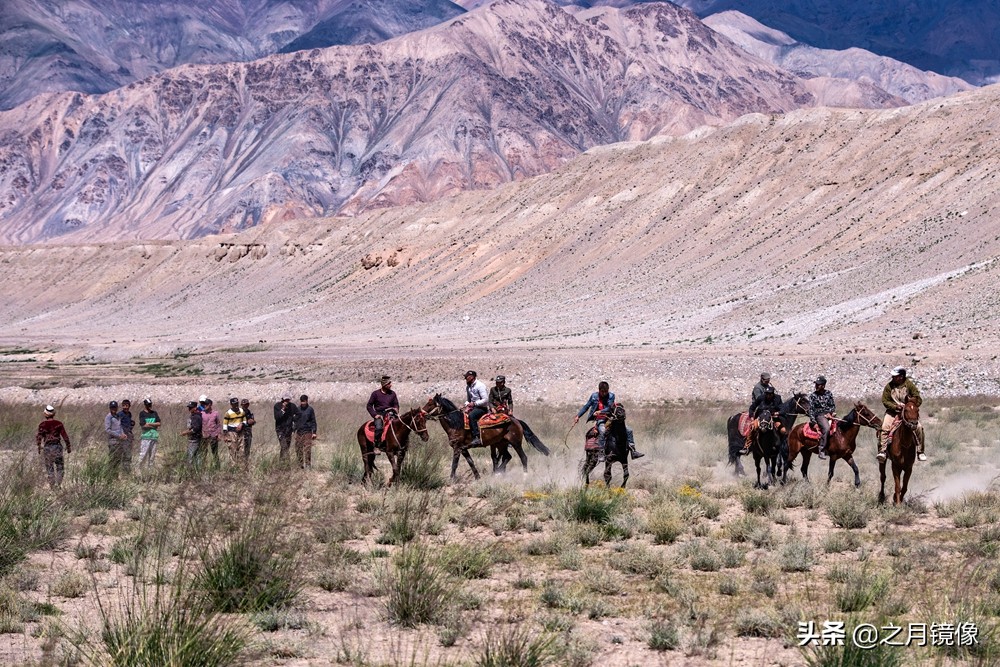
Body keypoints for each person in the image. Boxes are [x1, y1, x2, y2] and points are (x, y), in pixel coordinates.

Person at [573, 382, 644, 459]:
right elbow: (586, 406)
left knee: (629, 430)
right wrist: (578, 416)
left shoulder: (611, 396)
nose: (604, 393)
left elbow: (610, 407)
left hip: (611, 418)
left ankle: (633, 451)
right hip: (600, 419)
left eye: (606, 391)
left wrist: (600, 411)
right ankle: (601, 452)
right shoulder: (594, 396)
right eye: (602, 391)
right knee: (602, 431)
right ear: (599, 390)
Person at [878, 366, 926, 461]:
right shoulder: (889, 386)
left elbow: (918, 398)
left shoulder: (909, 385)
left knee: (919, 428)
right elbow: (885, 400)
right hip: (893, 412)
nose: (893, 378)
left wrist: (911, 405)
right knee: (884, 427)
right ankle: (882, 451)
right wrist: (895, 406)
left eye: (895, 376)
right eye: (893, 376)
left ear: (901, 376)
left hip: (908, 412)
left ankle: (920, 451)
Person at [36, 405, 71, 487]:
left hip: (47, 448)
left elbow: (39, 437)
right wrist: (68, 446)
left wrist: (39, 447)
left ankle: (52, 486)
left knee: (49, 467)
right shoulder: (59, 424)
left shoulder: (42, 425)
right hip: (57, 447)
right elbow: (65, 436)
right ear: (53, 414)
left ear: (45, 414)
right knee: (60, 467)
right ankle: (58, 485)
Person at [744, 385, 785, 453]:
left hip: (773, 418)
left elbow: (783, 409)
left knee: (783, 430)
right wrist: (751, 416)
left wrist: (777, 413)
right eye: (767, 394)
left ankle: (784, 447)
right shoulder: (761, 398)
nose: (768, 395)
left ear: (773, 394)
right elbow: (752, 407)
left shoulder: (778, 398)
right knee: (753, 427)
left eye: (770, 394)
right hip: (761, 418)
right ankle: (747, 446)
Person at [367, 376, 399, 449]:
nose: (391, 385)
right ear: (384, 385)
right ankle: (377, 446)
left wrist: (396, 409)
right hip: (380, 414)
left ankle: (401, 445)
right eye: (389, 384)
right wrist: (375, 415)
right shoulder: (375, 394)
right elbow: (369, 406)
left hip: (391, 413)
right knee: (378, 428)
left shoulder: (393, 394)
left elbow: (396, 404)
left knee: (401, 426)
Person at [809, 376, 836, 460]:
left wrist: (829, 413)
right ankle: (821, 450)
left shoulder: (829, 393)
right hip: (819, 416)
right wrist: (814, 422)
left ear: (823, 385)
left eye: (818, 385)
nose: (816, 386)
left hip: (829, 415)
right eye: (816, 384)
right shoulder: (813, 395)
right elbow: (811, 410)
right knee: (827, 428)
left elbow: (833, 406)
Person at [463, 371, 489, 447]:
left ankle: (476, 437)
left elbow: (485, 400)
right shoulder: (468, 387)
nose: (465, 379)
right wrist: (466, 405)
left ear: (472, 377)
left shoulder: (480, 386)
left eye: (467, 377)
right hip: (473, 407)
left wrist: (474, 403)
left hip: (481, 408)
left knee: (471, 416)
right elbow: (468, 399)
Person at [273, 395, 299, 463]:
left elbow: (298, 414)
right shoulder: (277, 406)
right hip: (280, 430)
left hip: (289, 430)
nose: (287, 402)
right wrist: (283, 409)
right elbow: (277, 417)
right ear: (282, 400)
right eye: (285, 400)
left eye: (288, 400)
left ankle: (281, 462)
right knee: (284, 446)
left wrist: (294, 421)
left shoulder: (292, 406)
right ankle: (287, 464)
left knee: (286, 447)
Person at [294, 394, 318, 469]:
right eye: (301, 402)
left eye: (304, 401)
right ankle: (300, 464)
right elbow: (295, 421)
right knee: (298, 448)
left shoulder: (310, 410)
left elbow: (313, 421)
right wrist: (293, 430)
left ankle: (308, 465)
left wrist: (314, 432)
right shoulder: (297, 409)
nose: (302, 403)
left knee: (307, 449)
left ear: (307, 401)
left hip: (307, 431)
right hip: (299, 432)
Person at [104, 400, 129, 471]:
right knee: (112, 459)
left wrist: (123, 434)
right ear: (110, 408)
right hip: (113, 441)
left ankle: (115, 474)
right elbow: (107, 430)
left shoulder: (117, 416)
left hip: (120, 441)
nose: (113, 409)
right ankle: (110, 474)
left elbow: (120, 426)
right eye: (112, 408)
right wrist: (118, 435)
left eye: (115, 408)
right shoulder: (108, 417)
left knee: (118, 459)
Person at [137, 398, 161, 469]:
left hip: (154, 436)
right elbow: (143, 425)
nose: (149, 406)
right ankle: (139, 469)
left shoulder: (154, 413)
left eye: (150, 404)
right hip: (146, 437)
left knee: (152, 456)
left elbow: (159, 423)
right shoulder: (142, 413)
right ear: (145, 405)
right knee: (143, 454)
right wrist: (154, 425)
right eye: (148, 405)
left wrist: (149, 424)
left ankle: (150, 470)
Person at [223, 397, 246, 464]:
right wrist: (225, 435)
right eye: (234, 404)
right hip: (231, 432)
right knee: (233, 449)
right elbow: (225, 424)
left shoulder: (241, 411)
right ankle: (233, 466)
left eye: (237, 403)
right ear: (231, 404)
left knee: (241, 449)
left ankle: (241, 466)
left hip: (240, 432)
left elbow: (245, 421)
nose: (236, 405)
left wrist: (242, 424)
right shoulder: (228, 413)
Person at [200, 398, 223, 467]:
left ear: (210, 405)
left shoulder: (215, 413)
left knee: (215, 452)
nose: (205, 406)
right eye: (204, 404)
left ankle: (217, 466)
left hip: (213, 435)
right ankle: (203, 466)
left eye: (206, 404)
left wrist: (219, 434)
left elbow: (218, 424)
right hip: (204, 435)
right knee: (203, 452)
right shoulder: (201, 413)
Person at [181, 400, 204, 465]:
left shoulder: (197, 417)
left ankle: (191, 471)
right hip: (192, 438)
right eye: (189, 408)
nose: (189, 409)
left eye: (191, 408)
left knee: (191, 456)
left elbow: (195, 429)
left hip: (195, 439)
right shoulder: (192, 416)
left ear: (195, 408)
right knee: (197, 456)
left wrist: (186, 432)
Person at [117, 399, 135, 472]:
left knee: (128, 453)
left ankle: (126, 470)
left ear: (129, 406)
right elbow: (117, 425)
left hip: (128, 435)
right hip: (122, 436)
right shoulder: (120, 414)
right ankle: (124, 470)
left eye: (126, 405)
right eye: (124, 405)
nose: (125, 407)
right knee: (124, 454)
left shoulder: (129, 414)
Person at [240, 398, 256, 466]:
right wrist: (247, 422)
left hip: (248, 432)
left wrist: (253, 421)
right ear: (241, 405)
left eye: (246, 404)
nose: (245, 406)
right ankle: (241, 463)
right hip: (241, 433)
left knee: (247, 449)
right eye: (244, 405)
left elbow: (252, 421)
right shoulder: (239, 412)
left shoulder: (249, 412)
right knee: (241, 449)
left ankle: (246, 463)